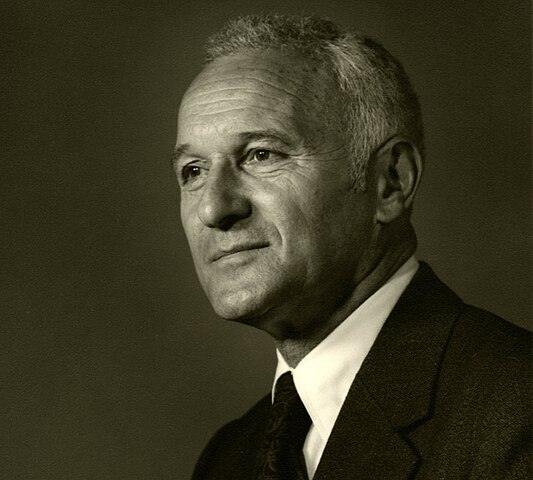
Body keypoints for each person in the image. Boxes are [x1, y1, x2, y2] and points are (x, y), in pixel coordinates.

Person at [172, 14, 531, 480]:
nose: (214, 208)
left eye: (261, 154)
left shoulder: (518, 409)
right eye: (193, 171)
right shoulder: (227, 458)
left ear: (390, 182)